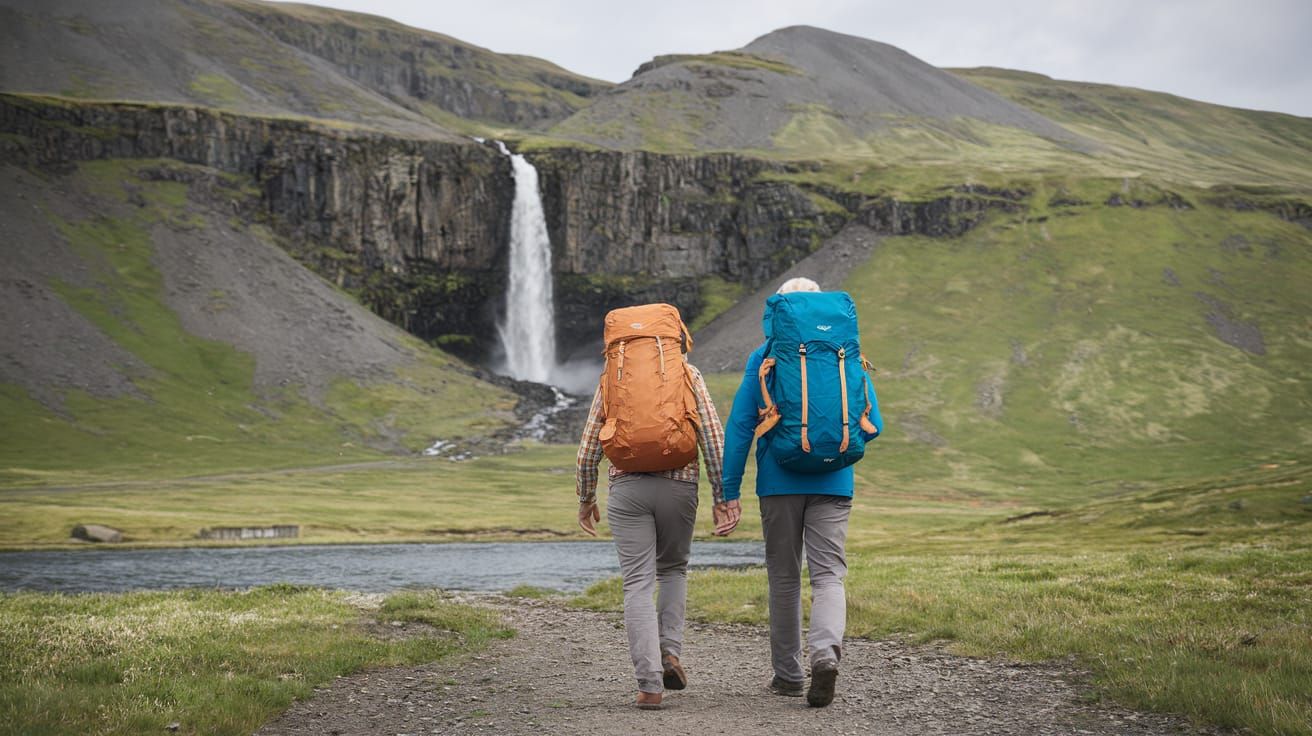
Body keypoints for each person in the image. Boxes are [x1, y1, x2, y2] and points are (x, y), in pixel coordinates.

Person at [720, 276, 883, 707]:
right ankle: (825, 656)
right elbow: (875, 423)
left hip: (778, 483)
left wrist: (728, 491)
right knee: (829, 575)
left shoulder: (766, 356)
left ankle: (789, 677)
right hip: (835, 481)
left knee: (785, 579)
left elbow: (739, 428)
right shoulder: (846, 352)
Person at [575, 308, 740, 711]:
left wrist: (586, 497)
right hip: (679, 485)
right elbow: (713, 437)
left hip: (627, 489)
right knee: (673, 570)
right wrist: (724, 497)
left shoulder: (612, 377)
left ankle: (649, 686)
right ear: (673, 337)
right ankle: (671, 653)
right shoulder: (688, 373)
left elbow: (589, 447)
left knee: (636, 584)